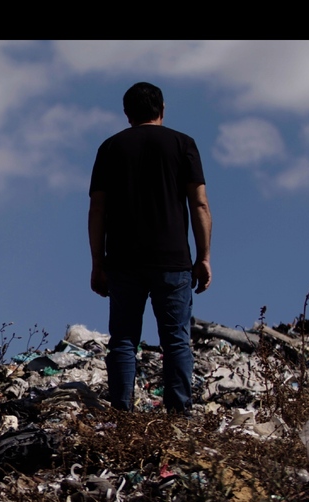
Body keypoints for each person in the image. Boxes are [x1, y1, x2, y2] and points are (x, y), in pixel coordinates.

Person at [87, 82, 213, 413]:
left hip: (123, 260)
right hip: (172, 260)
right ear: (162, 109)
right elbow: (199, 205)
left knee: (124, 341)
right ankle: (178, 417)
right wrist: (204, 257)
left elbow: (97, 208)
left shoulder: (109, 148)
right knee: (175, 342)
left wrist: (97, 263)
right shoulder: (183, 144)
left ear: (127, 114)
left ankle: (123, 416)